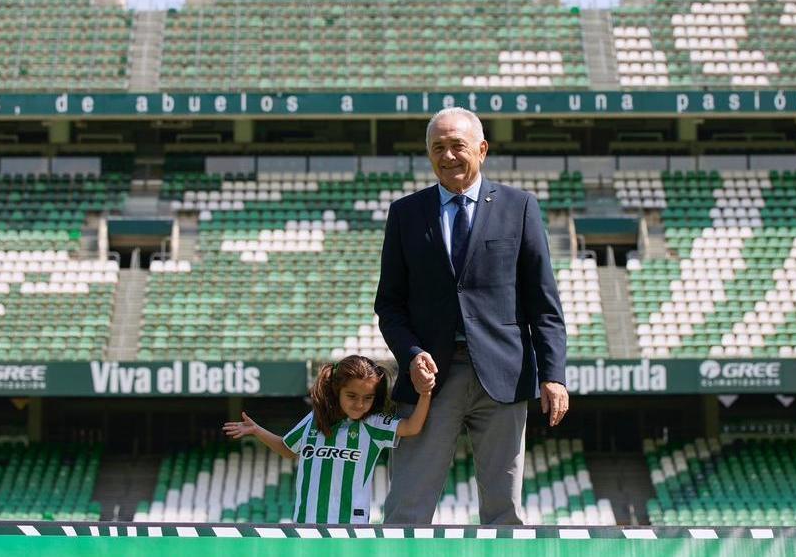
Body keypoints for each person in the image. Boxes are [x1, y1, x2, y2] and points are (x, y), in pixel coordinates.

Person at [374, 106, 569, 525]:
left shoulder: (520, 207)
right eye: (437, 148)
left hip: (503, 375)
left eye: (457, 146)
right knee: (406, 507)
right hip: (428, 381)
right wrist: (411, 355)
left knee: (505, 512)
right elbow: (389, 304)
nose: (447, 156)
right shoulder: (405, 213)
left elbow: (543, 303)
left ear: (481, 149)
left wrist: (553, 375)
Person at [222, 354, 432, 524]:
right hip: (307, 524)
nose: (360, 404)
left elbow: (412, 427)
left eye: (367, 398)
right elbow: (288, 449)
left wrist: (425, 393)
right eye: (352, 396)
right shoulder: (314, 419)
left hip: (351, 527)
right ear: (336, 391)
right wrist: (258, 431)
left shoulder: (374, 424)